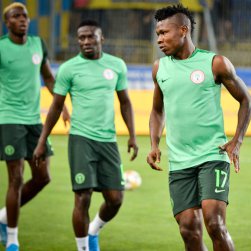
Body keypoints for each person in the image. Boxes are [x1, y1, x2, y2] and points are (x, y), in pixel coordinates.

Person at [146, 4, 251, 251]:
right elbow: (157, 110)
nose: (160, 39)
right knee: (188, 230)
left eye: (164, 33)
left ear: (183, 30)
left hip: (211, 155)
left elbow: (247, 100)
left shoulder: (215, 63)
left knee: (214, 224)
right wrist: (154, 144)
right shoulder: (159, 68)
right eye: (157, 34)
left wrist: (236, 141)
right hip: (180, 161)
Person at [33, 19, 138, 251]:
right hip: (81, 140)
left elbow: (126, 103)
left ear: (102, 39)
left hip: (108, 141)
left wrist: (132, 135)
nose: (86, 41)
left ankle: (94, 229)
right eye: (81, 38)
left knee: (115, 199)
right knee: (83, 197)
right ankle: (82, 248)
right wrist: (42, 141)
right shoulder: (69, 69)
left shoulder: (117, 65)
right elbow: (56, 107)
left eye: (91, 36)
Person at [0, 3, 70, 251]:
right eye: (16, 17)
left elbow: (49, 77)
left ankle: (3, 217)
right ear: (6, 22)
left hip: (33, 121)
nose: (22, 20)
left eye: (25, 16)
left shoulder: (37, 44)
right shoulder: (1, 48)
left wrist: (60, 104)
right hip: (8, 118)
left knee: (43, 177)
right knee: (16, 178)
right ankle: (12, 239)